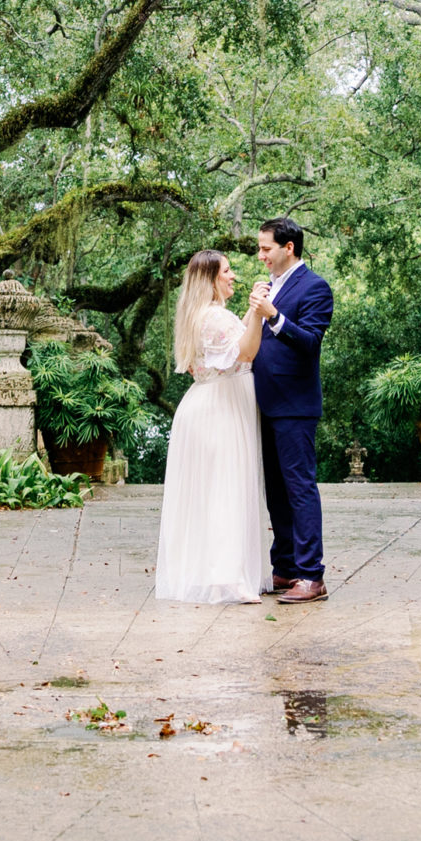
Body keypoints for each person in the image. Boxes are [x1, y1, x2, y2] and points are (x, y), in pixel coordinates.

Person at [153, 249, 271, 604]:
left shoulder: (201, 315)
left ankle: (217, 571)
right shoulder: (215, 318)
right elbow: (246, 352)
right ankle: (227, 577)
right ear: (210, 279)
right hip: (221, 408)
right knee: (226, 489)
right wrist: (259, 311)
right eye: (227, 271)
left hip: (208, 403)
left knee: (213, 491)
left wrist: (251, 310)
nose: (232, 276)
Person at [251, 217, 333, 603]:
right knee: (276, 492)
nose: (261, 254)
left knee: (299, 489)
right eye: (260, 248)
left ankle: (311, 576)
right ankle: (284, 568)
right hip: (264, 403)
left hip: (296, 405)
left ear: (289, 247)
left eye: (266, 247)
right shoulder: (271, 286)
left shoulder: (315, 287)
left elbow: (310, 342)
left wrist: (273, 316)